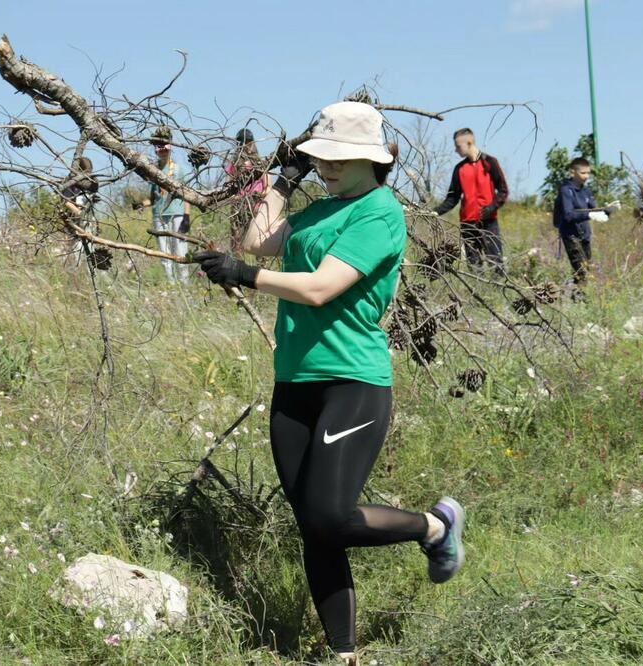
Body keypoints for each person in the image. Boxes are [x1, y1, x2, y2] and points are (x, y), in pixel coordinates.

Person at [192, 101, 465, 665]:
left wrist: (245, 277)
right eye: (320, 158)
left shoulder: (379, 213)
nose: (329, 167)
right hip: (294, 381)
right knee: (314, 528)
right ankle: (345, 654)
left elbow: (321, 287)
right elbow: (259, 239)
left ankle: (435, 527)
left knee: (329, 515)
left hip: (352, 382)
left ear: (375, 159)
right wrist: (285, 181)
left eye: (340, 159)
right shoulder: (319, 209)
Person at [434, 128, 509, 274]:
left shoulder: (490, 163)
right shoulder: (459, 169)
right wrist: (434, 212)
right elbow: (452, 198)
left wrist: (491, 208)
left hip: (489, 223)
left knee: (496, 264)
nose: (456, 150)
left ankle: (498, 293)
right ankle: (477, 294)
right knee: (474, 267)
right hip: (468, 225)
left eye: (458, 146)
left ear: (469, 142)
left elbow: (503, 190)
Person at [552, 157, 619, 291]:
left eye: (588, 173)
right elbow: (568, 215)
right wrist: (589, 215)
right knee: (581, 269)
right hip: (571, 235)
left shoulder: (586, 191)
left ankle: (578, 296)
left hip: (585, 234)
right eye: (583, 173)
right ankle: (582, 299)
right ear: (573, 172)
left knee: (586, 267)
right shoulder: (566, 190)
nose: (586, 176)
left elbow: (594, 209)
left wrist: (608, 210)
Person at [139, 132, 191, 284]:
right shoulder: (152, 171)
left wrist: (187, 217)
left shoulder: (179, 170)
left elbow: (187, 194)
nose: (162, 151)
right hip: (159, 216)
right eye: (158, 148)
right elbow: (154, 197)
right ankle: (171, 285)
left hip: (177, 215)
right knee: (164, 253)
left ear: (171, 148)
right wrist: (142, 204)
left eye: (165, 147)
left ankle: (185, 286)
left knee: (180, 251)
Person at [225, 128, 268, 256]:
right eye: (241, 142)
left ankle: (262, 267)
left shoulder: (260, 163)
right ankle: (237, 266)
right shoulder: (235, 163)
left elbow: (267, 185)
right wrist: (235, 198)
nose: (245, 145)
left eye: (248, 142)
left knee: (259, 239)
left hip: (256, 205)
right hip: (239, 206)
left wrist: (259, 196)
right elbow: (229, 185)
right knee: (236, 241)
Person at [58, 156, 105, 269]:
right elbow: (66, 202)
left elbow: (88, 197)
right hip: (75, 221)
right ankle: (74, 272)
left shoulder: (88, 182)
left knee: (90, 246)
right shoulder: (70, 182)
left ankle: (90, 272)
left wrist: (93, 200)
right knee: (77, 248)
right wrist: (79, 213)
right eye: (86, 171)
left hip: (89, 220)